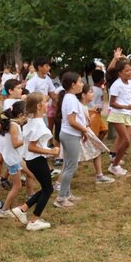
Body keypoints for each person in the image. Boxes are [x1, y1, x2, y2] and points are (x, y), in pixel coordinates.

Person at [9, 93, 58, 231]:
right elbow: (32, 146)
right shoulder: (38, 125)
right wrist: (52, 151)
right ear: (39, 106)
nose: (48, 104)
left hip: (32, 160)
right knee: (48, 189)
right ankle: (34, 220)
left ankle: (23, 209)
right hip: (36, 160)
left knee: (46, 188)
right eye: (45, 102)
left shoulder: (31, 121)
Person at [53, 72, 86, 208]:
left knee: (67, 165)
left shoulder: (69, 97)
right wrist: (84, 130)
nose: (82, 84)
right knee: (71, 167)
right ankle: (61, 198)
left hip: (68, 134)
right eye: (80, 82)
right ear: (73, 85)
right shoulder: (71, 99)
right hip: (70, 135)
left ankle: (66, 194)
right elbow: (72, 121)